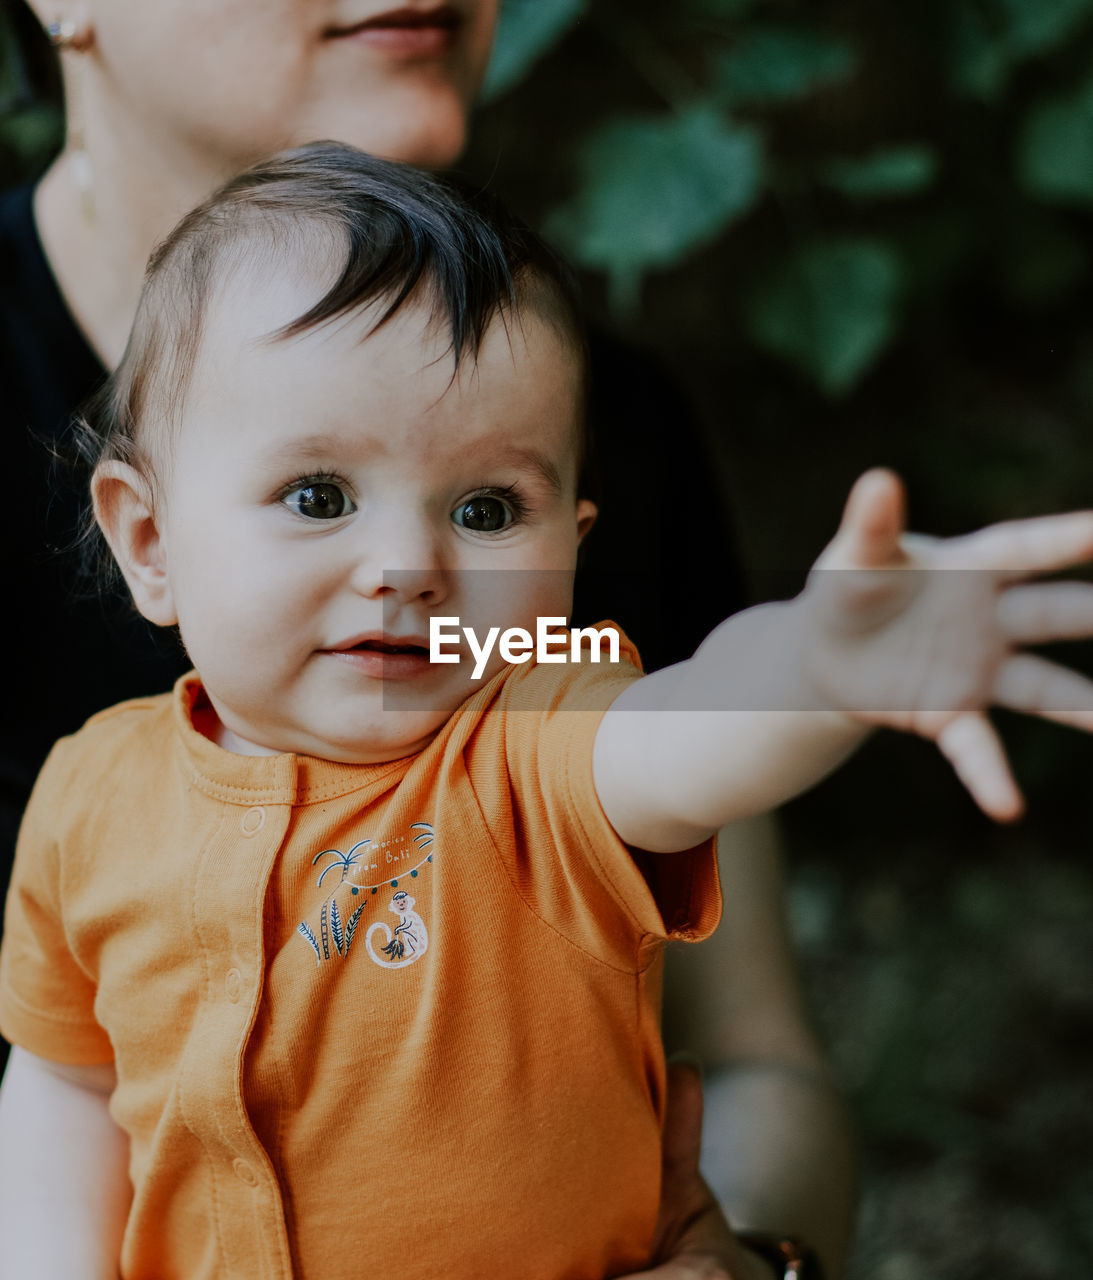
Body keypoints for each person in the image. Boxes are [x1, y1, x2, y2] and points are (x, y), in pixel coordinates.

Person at [4, 144, 1093, 1279]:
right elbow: (65, 1077)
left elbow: (690, 735)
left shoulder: (536, 742)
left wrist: (818, 666)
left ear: (568, 553)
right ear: (149, 539)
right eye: (318, 496)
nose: (406, 562)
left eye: (486, 507)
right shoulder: (89, 794)